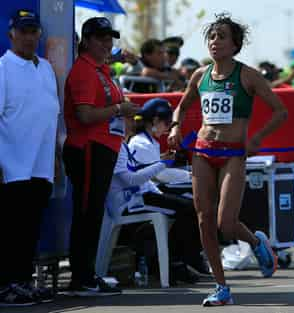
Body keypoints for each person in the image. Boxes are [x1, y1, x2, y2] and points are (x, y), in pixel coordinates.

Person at [167, 14, 288, 306]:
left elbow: (280, 111)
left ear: (235, 45)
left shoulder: (248, 76)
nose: (215, 41)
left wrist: (257, 139)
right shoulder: (200, 75)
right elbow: (181, 108)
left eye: (221, 36)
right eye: (211, 36)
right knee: (204, 220)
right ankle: (222, 287)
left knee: (226, 223)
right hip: (203, 152)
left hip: (233, 154)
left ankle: (257, 242)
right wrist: (174, 127)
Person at [63, 17, 138, 296]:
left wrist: (121, 109)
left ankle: (88, 274)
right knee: (86, 214)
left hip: (103, 148)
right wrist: (119, 109)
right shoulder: (84, 70)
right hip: (87, 148)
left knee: (93, 214)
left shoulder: (100, 69)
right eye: (102, 38)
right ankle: (80, 277)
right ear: (87, 41)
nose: (108, 43)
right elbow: (84, 115)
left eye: (110, 38)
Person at [106, 98, 208, 286]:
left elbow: (151, 173)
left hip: (141, 195)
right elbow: (152, 175)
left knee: (190, 206)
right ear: (154, 121)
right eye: (167, 123)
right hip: (135, 200)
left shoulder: (143, 142)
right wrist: (185, 173)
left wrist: (185, 173)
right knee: (188, 208)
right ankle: (176, 261)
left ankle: (177, 260)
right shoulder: (139, 143)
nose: (168, 127)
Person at [0, 9, 59, 306]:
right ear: (11, 33)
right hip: (11, 167)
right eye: (23, 31)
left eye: (33, 31)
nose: (29, 37)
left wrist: (56, 161)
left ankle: (22, 282)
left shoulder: (46, 68)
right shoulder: (2, 68)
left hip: (41, 167)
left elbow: (52, 117)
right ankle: (6, 286)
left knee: (30, 229)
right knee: (11, 229)